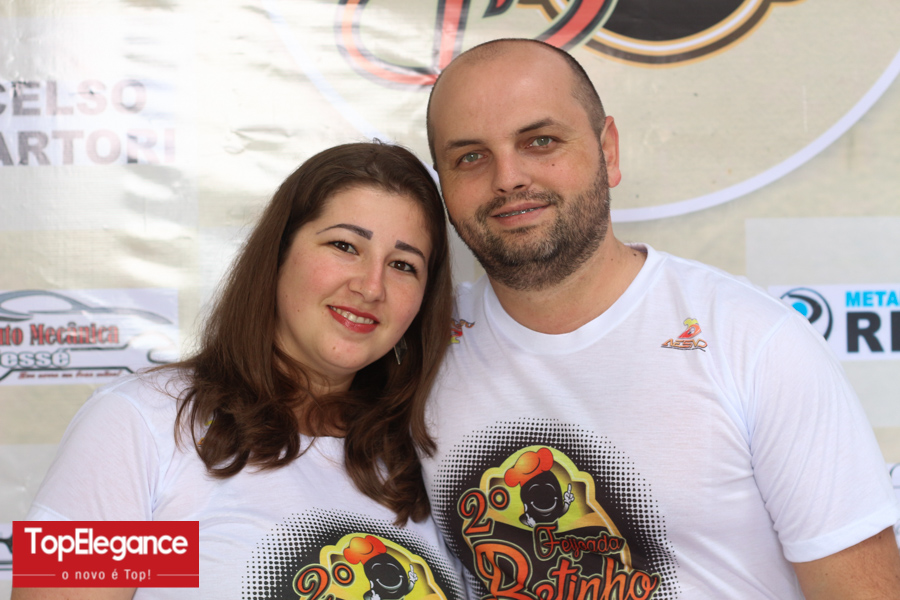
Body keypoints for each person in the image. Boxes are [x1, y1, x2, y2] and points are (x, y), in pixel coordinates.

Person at [421, 38, 900, 599]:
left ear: (609, 151)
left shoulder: (754, 342)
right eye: (470, 157)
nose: (508, 177)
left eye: (540, 141)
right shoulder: (420, 356)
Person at [13, 142, 463, 599]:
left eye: (403, 265)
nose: (371, 286)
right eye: (345, 246)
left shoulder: (426, 464)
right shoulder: (142, 425)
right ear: (278, 254)